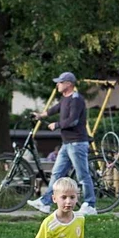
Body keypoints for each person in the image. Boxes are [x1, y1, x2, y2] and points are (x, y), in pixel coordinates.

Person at [28, 72, 97, 217]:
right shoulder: (65, 99)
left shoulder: (76, 99)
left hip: (77, 143)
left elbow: (73, 121)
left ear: (68, 84)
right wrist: (40, 115)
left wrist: (57, 125)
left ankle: (90, 204)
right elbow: (54, 109)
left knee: (82, 174)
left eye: (60, 82)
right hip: (67, 144)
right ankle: (46, 203)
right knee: (57, 173)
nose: (57, 84)